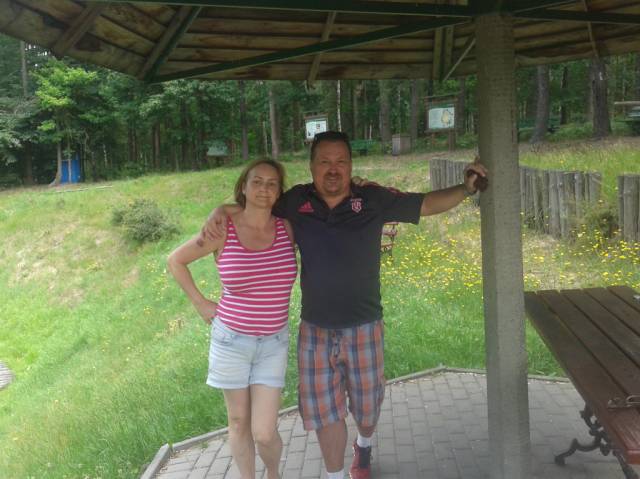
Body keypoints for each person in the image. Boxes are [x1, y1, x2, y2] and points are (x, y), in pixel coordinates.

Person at [204, 131, 487, 479]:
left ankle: (364, 443)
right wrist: (220, 210)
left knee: (367, 410)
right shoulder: (295, 201)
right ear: (311, 167)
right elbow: (256, 204)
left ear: (352, 166)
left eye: (341, 161)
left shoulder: (372, 198)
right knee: (325, 413)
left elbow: (426, 204)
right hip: (315, 331)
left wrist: (466, 189)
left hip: (364, 326)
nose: (333, 169)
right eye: (324, 161)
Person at [168, 159, 297, 479]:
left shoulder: (287, 228)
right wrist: (200, 303)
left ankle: (273, 473)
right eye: (257, 182)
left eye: (272, 183)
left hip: (273, 343)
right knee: (238, 422)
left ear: (279, 191)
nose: (264, 189)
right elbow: (176, 260)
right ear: (243, 186)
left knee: (264, 431)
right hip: (231, 341)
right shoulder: (222, 228)